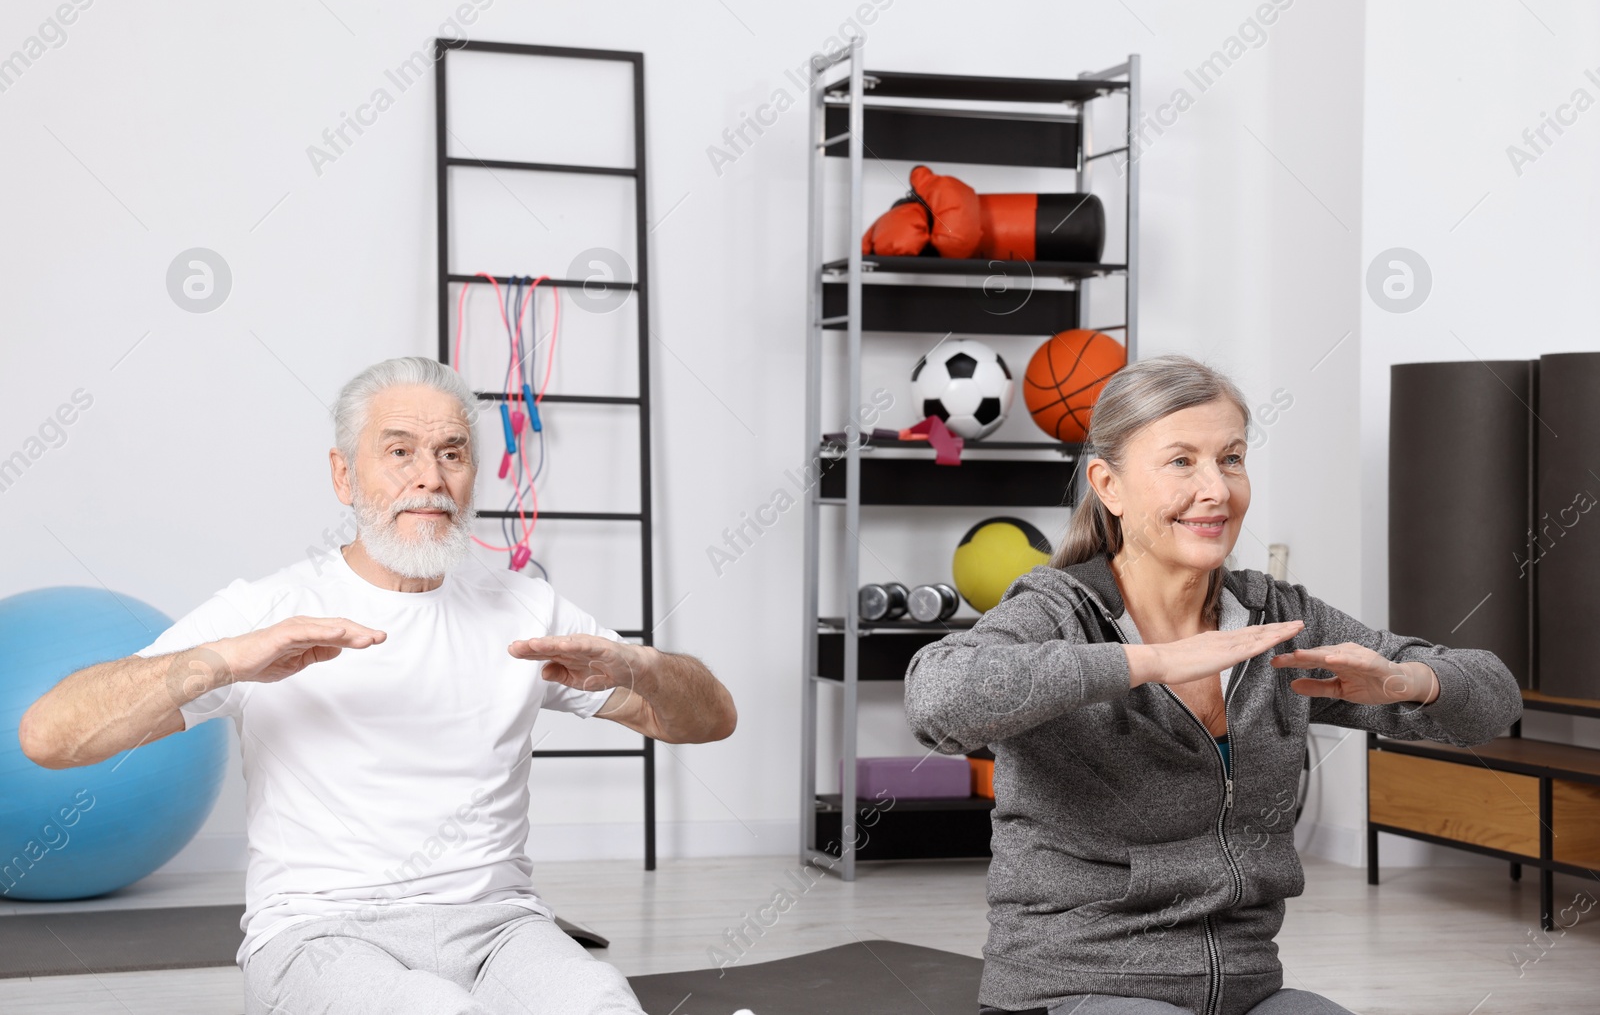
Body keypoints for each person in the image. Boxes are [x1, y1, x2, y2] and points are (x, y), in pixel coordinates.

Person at [19, 356, 738, 1015]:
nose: (429, 476)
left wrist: (643, 667)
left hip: (498, 930)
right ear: (344, 475)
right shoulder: (266, 611)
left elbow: (712, 718)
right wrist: (225, 661)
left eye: (450, 453)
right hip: (319, 933)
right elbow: (48, 736)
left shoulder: (526, 607)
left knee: (602, 1002)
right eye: (399, 451)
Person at [903, 354, 1523, 1015]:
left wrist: (1410, 680)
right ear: (1108, 484)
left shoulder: (1274, 619)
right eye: (1181, 462)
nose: (1217, 490)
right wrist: (1147, 662)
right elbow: (937, 696)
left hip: (1247, 991)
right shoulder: (1057, 609)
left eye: (1230, 458)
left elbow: (1495, 695)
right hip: (1075, 986)